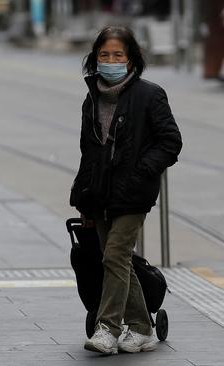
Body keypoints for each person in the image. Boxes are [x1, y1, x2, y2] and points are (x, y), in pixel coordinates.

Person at [70, 26, 182, 355]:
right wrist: (83, 200)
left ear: (131, 59)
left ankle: (107, 328)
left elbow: (170, 142)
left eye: (118, 55)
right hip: (101, 194)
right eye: (104, 55)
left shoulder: (150, 95)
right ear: (95, 59)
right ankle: (143, 327)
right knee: (117, 261)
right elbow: (88, 152)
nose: (111, 61)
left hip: (133, 194)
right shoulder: (91, 99)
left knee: (116, 255)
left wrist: (142, 171)